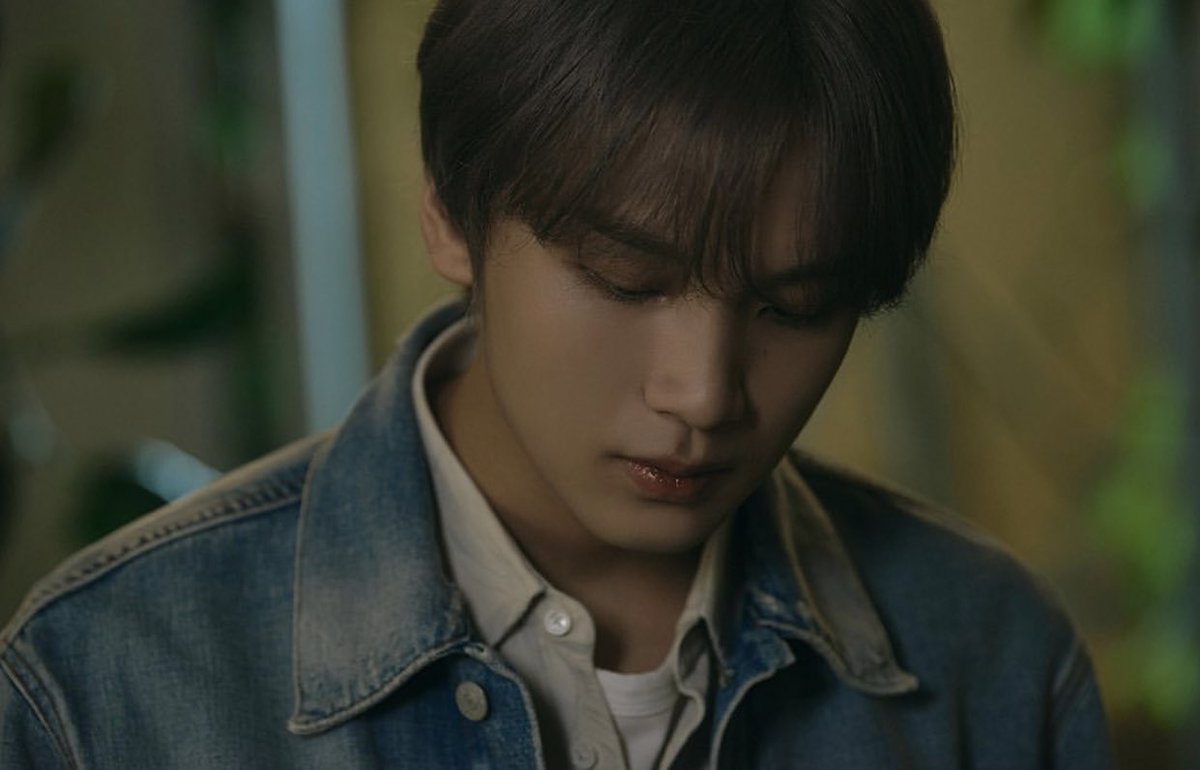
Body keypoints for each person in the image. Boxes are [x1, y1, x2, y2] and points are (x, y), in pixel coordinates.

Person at [0, 0, 1111, 767]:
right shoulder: (108, 681)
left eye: (794, 307)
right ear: (451, 209)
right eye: (627, 280)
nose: (702, 393)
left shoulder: (988, 658)